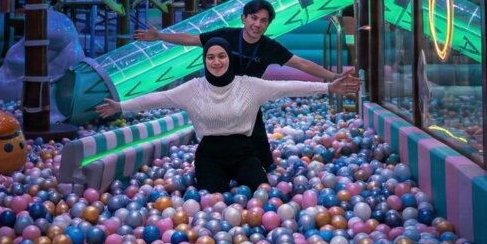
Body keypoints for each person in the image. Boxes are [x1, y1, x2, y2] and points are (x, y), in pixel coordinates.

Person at [96, 38, 360, 191]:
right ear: (205, 61)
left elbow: (288, 88)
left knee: (263, 193)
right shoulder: (193, 89)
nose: (216, 61)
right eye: (210, 57)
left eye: (221, 55)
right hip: (210, 155)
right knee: (213, 200)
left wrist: (328, 86)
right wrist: (121, 106)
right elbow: (157, 99)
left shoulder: (248, 85)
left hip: (244, 152)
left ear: (229, 58)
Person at [133, 0, 339, 170]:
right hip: (217, 95)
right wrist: (160, 36)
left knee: (261, 151)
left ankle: (261, 166)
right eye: (254, 18)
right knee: (217, 137)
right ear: (244, 18)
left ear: (268, 25)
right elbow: (191, 39)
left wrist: (332, 76)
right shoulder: (227, 36)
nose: (257, 24)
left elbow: (301, 63)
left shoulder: (269, 47)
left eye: (264, 21)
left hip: (247, 101)